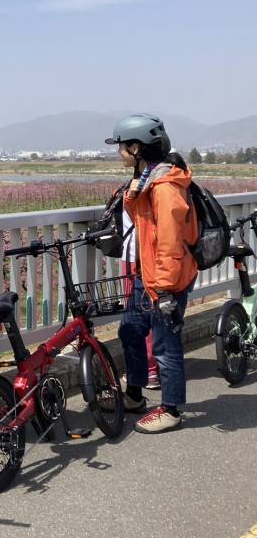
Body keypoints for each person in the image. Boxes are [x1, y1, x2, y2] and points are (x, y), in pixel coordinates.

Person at [105, 114, 197, 433]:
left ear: (135, 147)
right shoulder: (148, 179)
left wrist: (167, 289)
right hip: (149, 273)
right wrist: (132, 193)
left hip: (166, 277)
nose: (119, 153)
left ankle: (170, 410)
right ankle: (134, 395)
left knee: (164, 342)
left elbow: (170, 242)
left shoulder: (165, 186)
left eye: (121, 147)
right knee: (130, 329)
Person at [120, 207, 161, 390]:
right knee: (155, 312)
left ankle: (148, 370)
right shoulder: (170, 186)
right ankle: (153, 368)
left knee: (137, 315)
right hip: (162, 258)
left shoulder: (140, 189)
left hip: (138, 257)